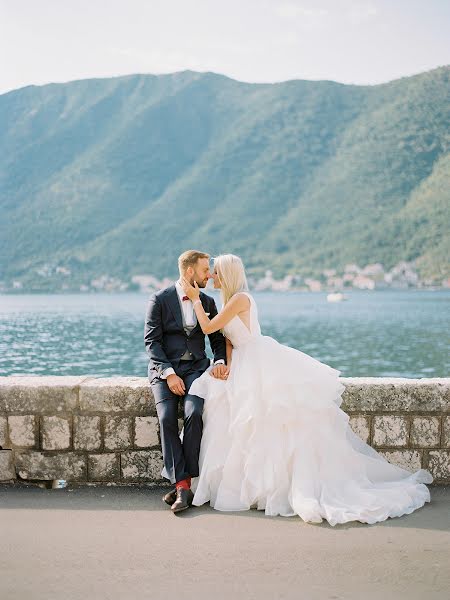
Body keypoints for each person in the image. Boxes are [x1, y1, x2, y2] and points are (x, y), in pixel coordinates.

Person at [181, 254, 433, 526]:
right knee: (244, 424)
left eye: (215, 272)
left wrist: (194, 299)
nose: (211, 277)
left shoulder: (241, 299)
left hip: (260, 360)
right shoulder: (227, 301)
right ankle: (251, 486)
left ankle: (276, 487)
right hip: (243, 364)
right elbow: (227, 339)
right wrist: (226, 365)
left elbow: (208, 327)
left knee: (270, 423)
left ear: (226, 275)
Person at [144, 250, 226, 513]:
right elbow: (152, 342)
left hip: (197, 369)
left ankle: (184, 484)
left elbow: (217, 339)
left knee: (194, 413)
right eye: (205, 270)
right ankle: (183, 485)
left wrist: (220, 362)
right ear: (190, 271)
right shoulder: (160, 299)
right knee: (167, 418)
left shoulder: (208, 301)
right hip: (164, 370)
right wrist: (168, 374)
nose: (209, 275)